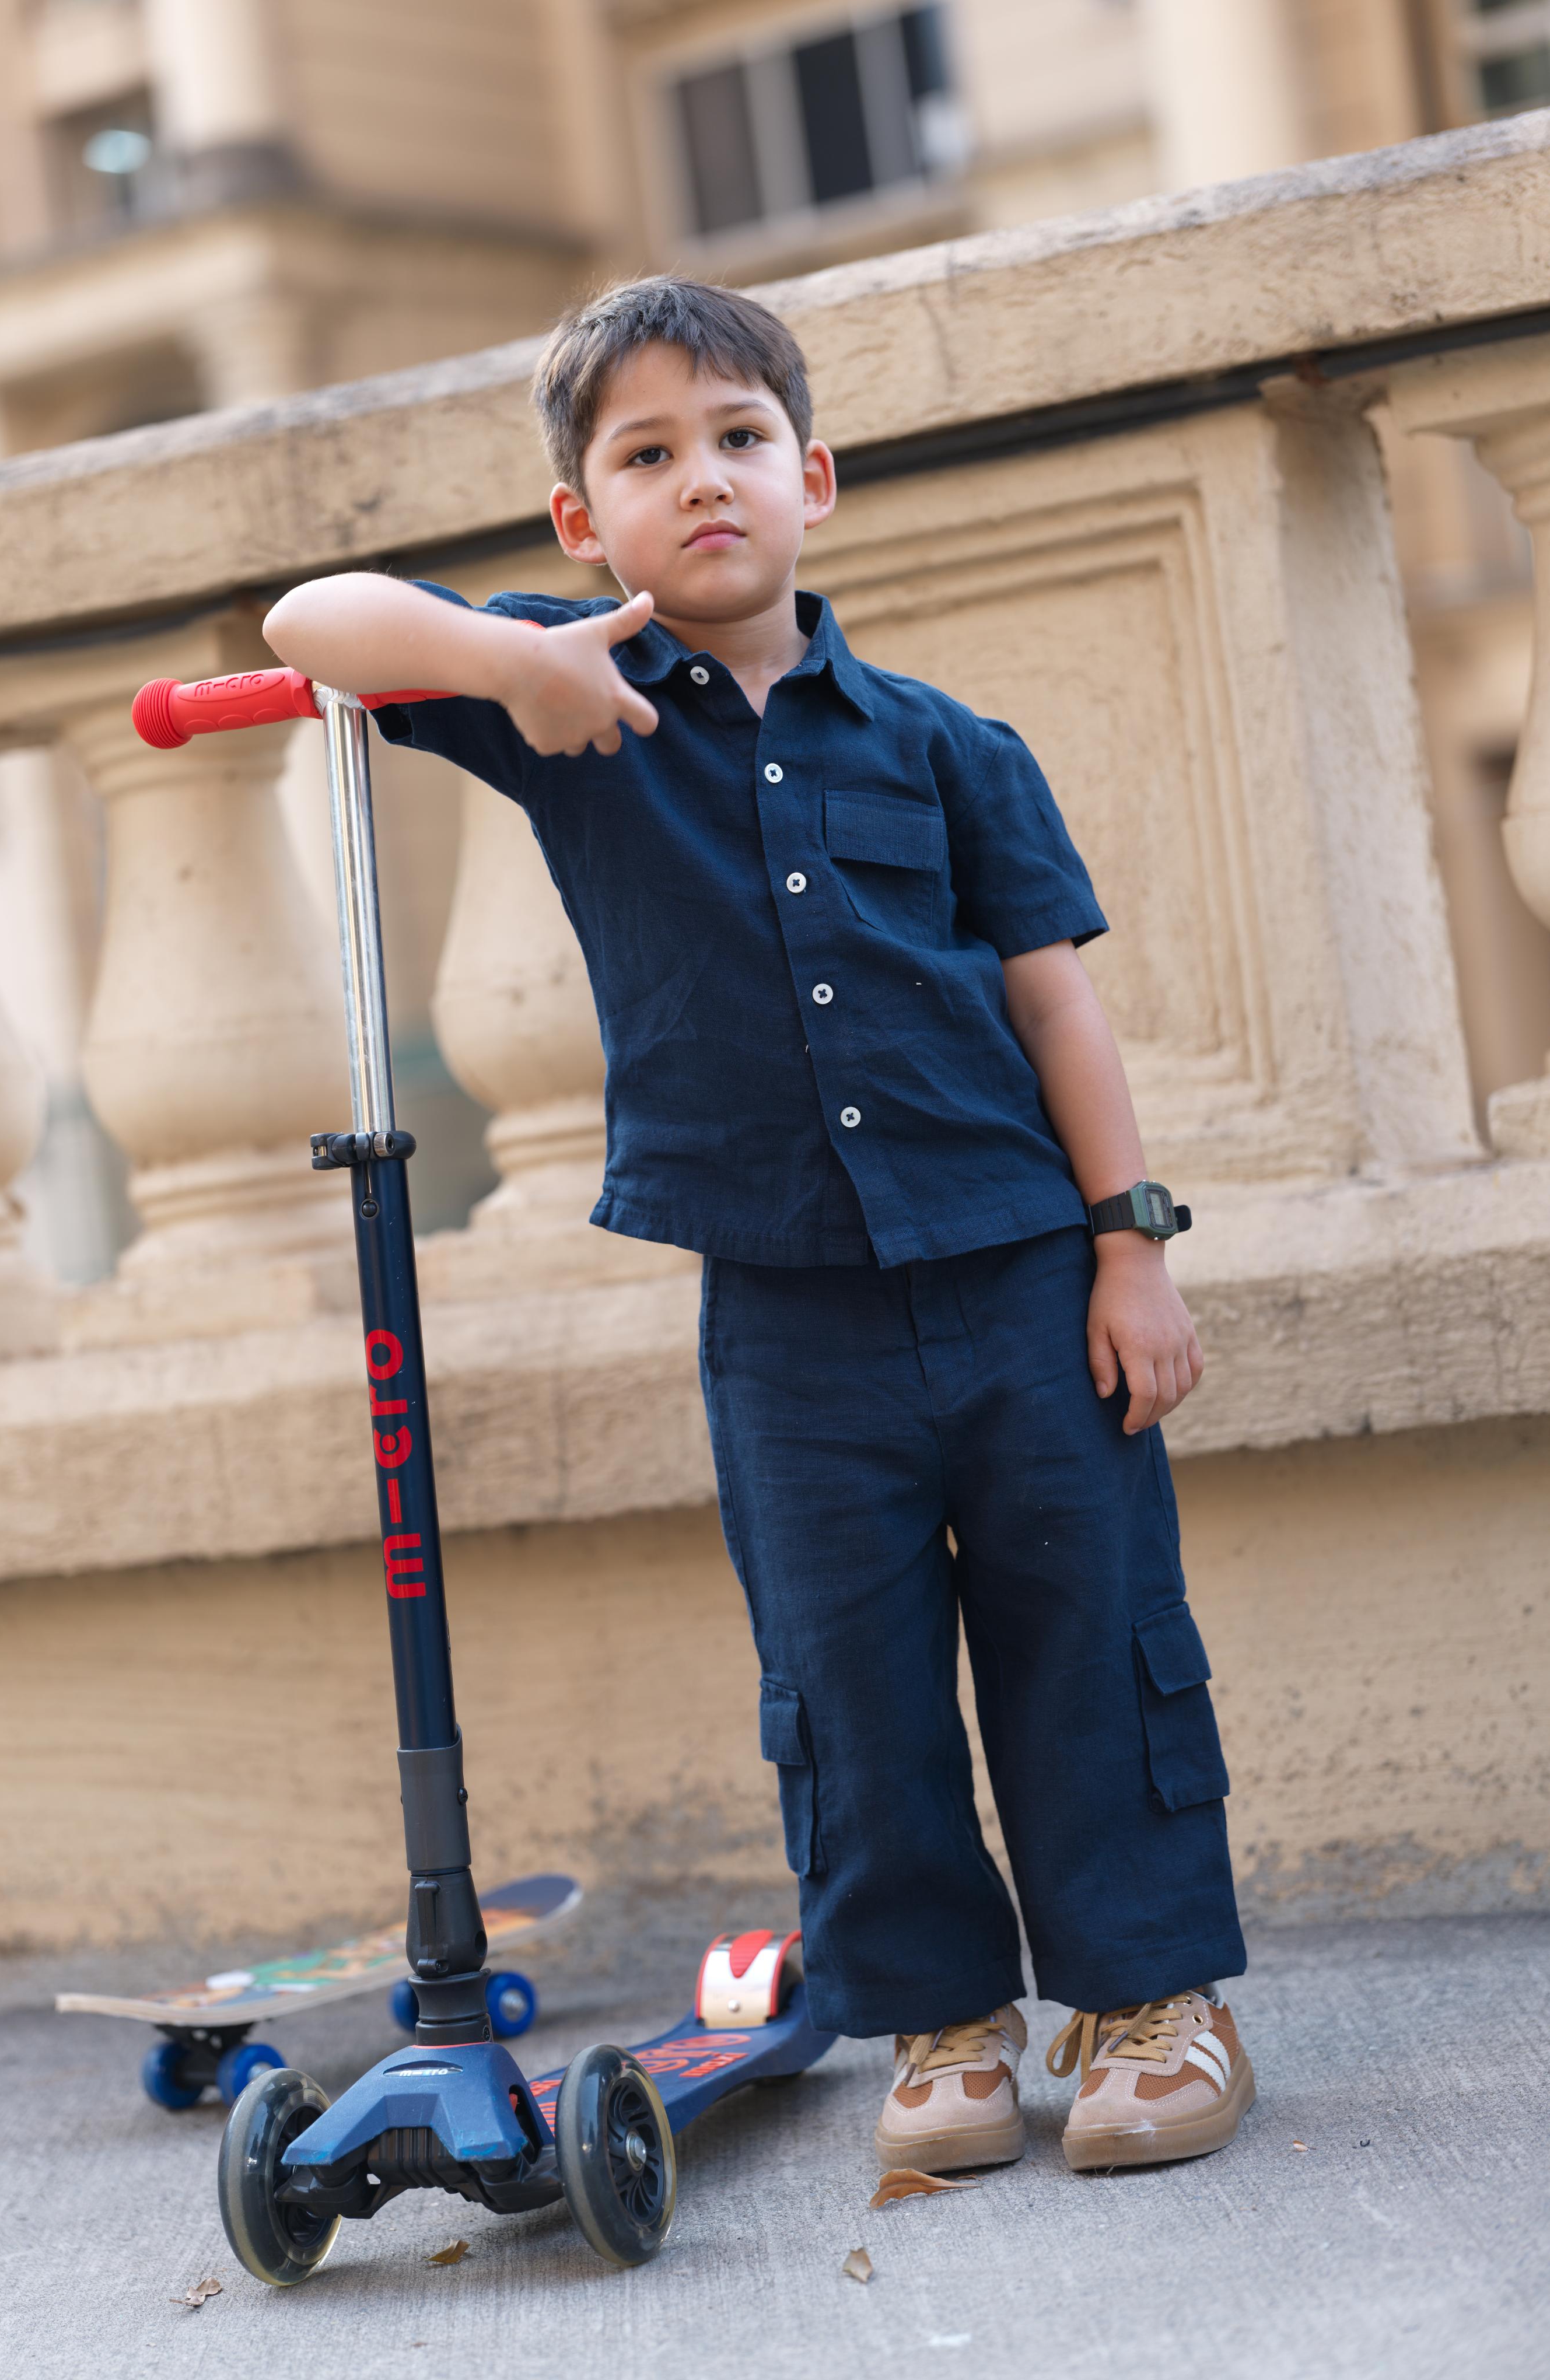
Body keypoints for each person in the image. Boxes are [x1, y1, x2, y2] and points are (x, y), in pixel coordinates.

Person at [264, 276, 1252, 2176]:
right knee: (847, 1671)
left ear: (810, 477)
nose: (698, 483)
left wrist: (1131, 1246)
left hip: (1024, 1278)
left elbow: (1055, 1003)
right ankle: (940, 2026)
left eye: (734, 443)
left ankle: (1148, 2000)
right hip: (784, 1315)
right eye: (644, 455)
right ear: (583, 522)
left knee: (1091, 1630)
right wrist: (502, 665)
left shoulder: (953, 747)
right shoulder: (572, 695)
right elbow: (310, 623)